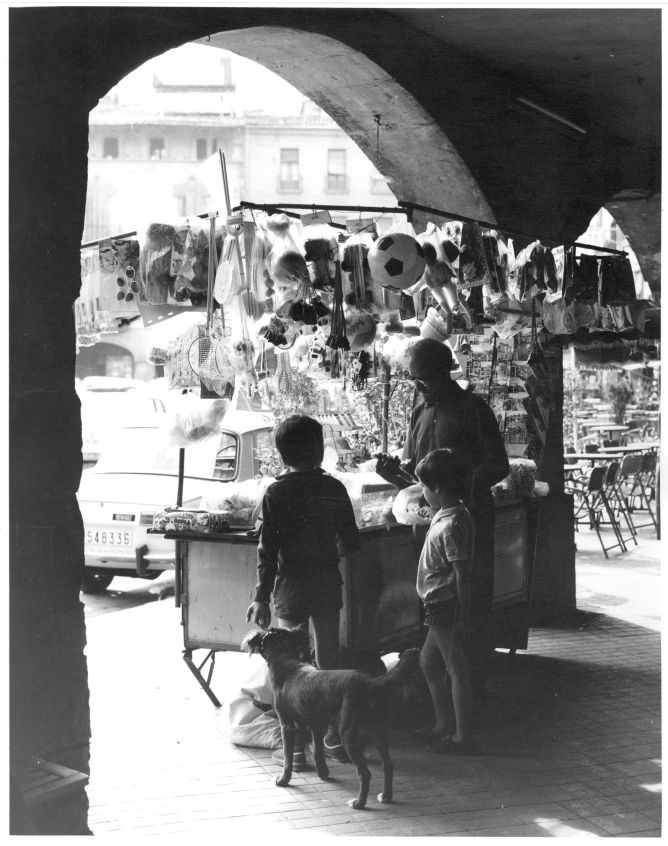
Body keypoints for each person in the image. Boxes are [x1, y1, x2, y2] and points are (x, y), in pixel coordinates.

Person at [246, 414, 361, 769]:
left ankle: (295, 749)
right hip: (326, 583)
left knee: (290, 667)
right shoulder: (334, 488)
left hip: (290, 587)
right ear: (320, 450)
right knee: (327, 664)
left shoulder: (275, 493)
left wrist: (261, 597)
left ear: (282, 455)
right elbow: (352, 541)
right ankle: (333, 738)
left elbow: (268, 552)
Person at [400, 338, 509, 693]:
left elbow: (499, 465)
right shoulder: (418, 409)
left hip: (468, 519)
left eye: (422, 378)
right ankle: (439, 698)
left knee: (469, 604)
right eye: (413, 378)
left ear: (441, 372)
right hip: (430, 527)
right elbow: (415, 469)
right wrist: (398, 475)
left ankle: (471, 691)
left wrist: (458, 484)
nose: (416, 385)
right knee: (435, 607)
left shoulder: (474, 409)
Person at [413, 448, 476, 754]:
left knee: (456, 669)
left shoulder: (452, 523)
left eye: (424, 487)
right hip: (435, 604)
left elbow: (462, 572)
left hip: (444, 603)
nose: (422, 493)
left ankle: (462, 736)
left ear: (437, 489)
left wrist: (464, 614)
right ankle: (443, 724)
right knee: (428, 662)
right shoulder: (449, 513)